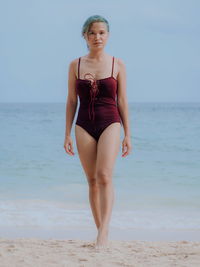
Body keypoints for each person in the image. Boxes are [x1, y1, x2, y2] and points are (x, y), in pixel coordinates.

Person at [64, 15, 132, 249]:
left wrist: (128, 135)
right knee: (92, 180)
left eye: (102, 32)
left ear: (108, 35)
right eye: (92, 33)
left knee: (104, 176)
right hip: (83, 124)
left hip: (111, 122)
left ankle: (104, 232)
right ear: (85, 36)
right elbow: (71, 101)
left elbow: (122, 100)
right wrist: (66, 134)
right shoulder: (76, 65)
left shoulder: (117, 64)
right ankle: (100, 232)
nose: (97, 37)